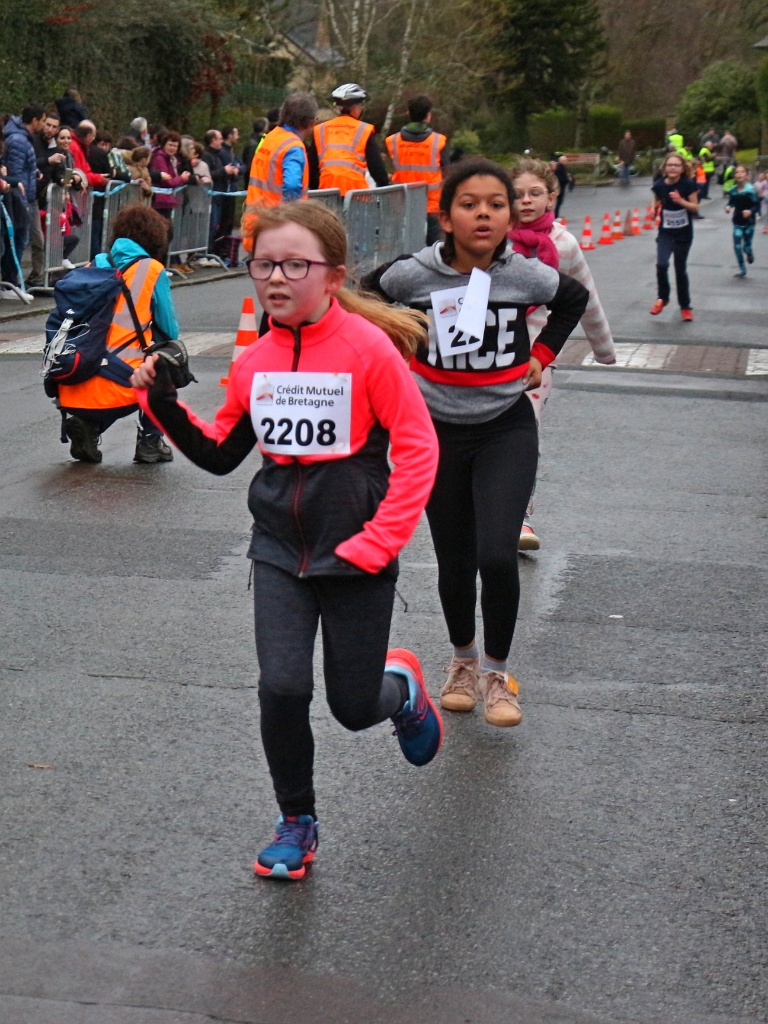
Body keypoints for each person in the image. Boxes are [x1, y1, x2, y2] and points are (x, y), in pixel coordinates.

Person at [130, 199, 442, 880]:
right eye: (264, 264)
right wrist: (161, 402)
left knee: (352, 708)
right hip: (278, 550)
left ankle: (401, 691)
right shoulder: (256, 360)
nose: (275, 277)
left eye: (294, 265)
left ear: (332, 276)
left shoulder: (369, 350)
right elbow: (221, 453)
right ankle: (296, 821)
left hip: (357, 552)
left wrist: (382, 539)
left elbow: (419, 449)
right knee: (281, 686)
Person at [363, 158, 588, 727]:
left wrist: (541, 355)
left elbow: (572, 299)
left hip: (505, 427)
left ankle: (496, 674)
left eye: (495, 204)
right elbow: (365, 297)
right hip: (434, 431)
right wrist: (396, 351)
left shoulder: (525, 275)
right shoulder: (415, 274)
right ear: (446, 217)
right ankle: (462, 662)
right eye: (469, 204)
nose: (483, 214)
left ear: (510, 217)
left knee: (497, 552)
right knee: (455, 558)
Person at [508, 158, 615, 551]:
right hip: (488, 353)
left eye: (535, 193)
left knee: (525, 434)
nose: (526, 200)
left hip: (537, 358)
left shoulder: (565, 244)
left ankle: (520, 518)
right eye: (518, 194)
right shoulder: (493, 238)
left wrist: (603, 349)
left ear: (551, 197)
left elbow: (585, 296)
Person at [56, 204, 177, 465]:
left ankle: (89, 426)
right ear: (156, 238)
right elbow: (170, 331)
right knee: (168, 358)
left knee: (111, 378)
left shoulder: (94, 264)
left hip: (74, 378)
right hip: (121, 383)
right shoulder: (151, 269)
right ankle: (150, 441)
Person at [242, 92, 318, 254]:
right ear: (311, 122)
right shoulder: (293, 146)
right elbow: (292, 186)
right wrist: (293, 219)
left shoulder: (270, 138)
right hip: (277, 227)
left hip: (256, 222)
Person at [386, 94, 447, 245]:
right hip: (431, 205)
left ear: (409, 113)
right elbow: (447, 170)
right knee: (435, 247)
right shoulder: (438, 141)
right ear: (428, 115)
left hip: (402, 202)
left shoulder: (393, 141)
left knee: (402, 246)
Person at [310, 83, 388, 195]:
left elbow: (312, 167)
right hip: (355, 193)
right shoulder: (364, 129)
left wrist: (316, 191)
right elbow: (377, 169)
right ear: (356, 108)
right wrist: (385, 188)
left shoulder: (320, 129)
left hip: (327, 190)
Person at [649, 152, 699, 321]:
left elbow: (695, 207)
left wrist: (680, 201)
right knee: (661, 264)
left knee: (680, 269)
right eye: (670, 165)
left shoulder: (688, 184)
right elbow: (655, 200)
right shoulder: (659, 185)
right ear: (665, 168)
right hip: (666, 232)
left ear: (682, 168)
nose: (672, 168)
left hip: (684, 234)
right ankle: (662, 298)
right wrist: (653, 209)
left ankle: (685, 306)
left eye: (676, 165)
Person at [2, 105, 46, 286]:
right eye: (43, 121)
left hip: (25, 196)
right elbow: (16, 171)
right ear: (34, 120)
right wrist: (23, 200)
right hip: (20, 198)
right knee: (17, 241)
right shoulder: (19, 141)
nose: (44, 125)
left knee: (21, 239)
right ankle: (10, 281)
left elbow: (23, 167)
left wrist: (34, 171)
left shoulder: (23, 139)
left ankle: (12, 281)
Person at [725, 164, 760, 278]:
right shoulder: (733, 190)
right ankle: (742, 269)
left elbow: (757, 206)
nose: (739, 174)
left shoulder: (751, 191)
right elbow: (731, 202)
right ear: (735, 176)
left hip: (749, 223)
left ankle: (749, 253)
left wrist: (750, 211)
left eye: (742, 172)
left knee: (746, 247)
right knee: (737, 246)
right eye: (737, 172)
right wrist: (728, 207)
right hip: (737, 222)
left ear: (746, 175)